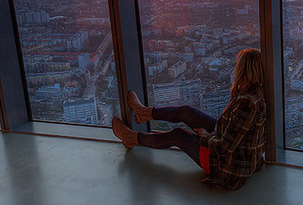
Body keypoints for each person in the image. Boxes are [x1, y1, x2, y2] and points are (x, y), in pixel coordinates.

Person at [112, 48, 267, 190]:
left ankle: (131, 138)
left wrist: (204, 136)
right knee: (187, 112)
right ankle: (144, 113)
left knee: (178, 136)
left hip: (227, 166)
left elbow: (224, 148)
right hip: (235, 153)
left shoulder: (247, 102)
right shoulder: (253, 92)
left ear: (242, 70)